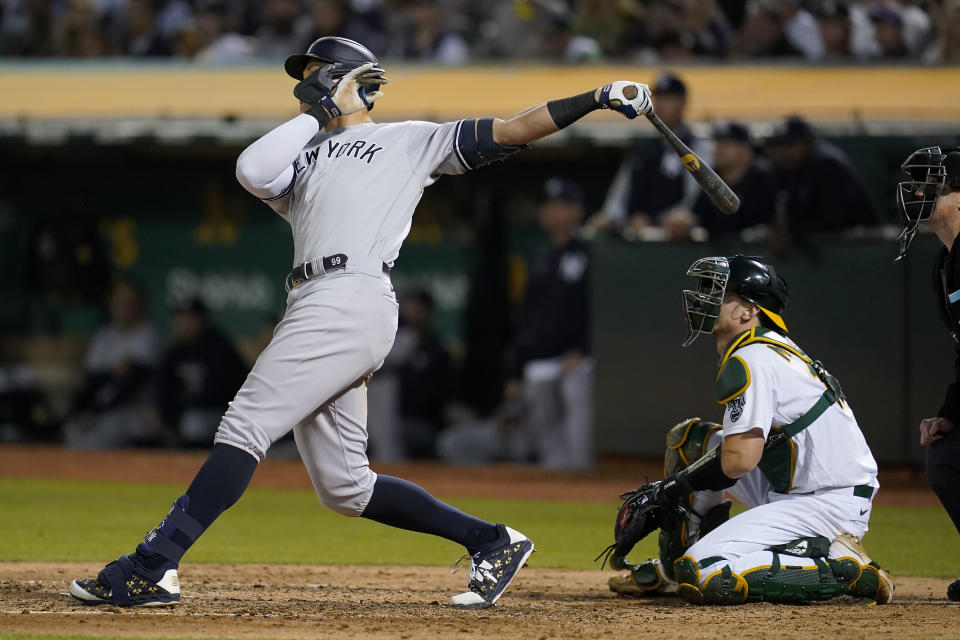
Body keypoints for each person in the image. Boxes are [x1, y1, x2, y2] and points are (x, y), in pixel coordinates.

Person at [69, 35, 654, 609]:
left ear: (360, 83)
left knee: (244, 427)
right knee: (346, 487)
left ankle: (154, 566)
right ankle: (492, 541)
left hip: (351, 295)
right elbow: (251, 169)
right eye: (308, 75)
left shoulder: (409, 140)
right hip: (316, 299)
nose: (307, 84)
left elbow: (512, 129)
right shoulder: (300, 154)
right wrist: (320, 109)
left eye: (323, 73)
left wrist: (596, 96)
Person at [606, 255, 893, 605]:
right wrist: (670, 488)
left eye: (718, 293)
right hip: (798, 486)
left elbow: (738, 462)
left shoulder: (753, 358)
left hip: (826, 501)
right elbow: (734, 455)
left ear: (747, 312)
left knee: (704, 574)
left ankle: (843, 567)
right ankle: (672, 569)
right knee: (693, 442)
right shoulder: (764, 349)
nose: (704, 299)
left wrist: (668, 489)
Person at [892, 146, 960, 601]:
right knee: (946, 457)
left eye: (932, 184)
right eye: (916, 184)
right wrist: (950, 412)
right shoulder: (944, 262)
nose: (919, 192)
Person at [507, 177, 593, 470]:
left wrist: (582, 349)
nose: (552, 213)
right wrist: (515, 371)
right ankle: (556, 483)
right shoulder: (540, 258)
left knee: (577, 433)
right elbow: (528, 317)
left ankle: (583, 481)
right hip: (541, 361)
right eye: (548, 206)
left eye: (560, 206)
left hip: (578, 360)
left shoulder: (590, 253)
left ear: (577, 211)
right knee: (548, 441)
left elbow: (597, 310)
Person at [596, 72, 704, 241]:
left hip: (681, 239)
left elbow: (697, 195)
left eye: (668, 99)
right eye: (658, 98)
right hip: (636, 235)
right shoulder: (642, 147)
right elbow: (621, 191)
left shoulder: (696, 144)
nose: (661, 104)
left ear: (682, 103)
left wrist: (666, 219)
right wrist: (610, 215)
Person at [63, 280, 163, 449]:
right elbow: (91, 380)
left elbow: (130, 383)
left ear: (141, 305)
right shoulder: (104, 336)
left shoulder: (148, 336)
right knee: (74, 430)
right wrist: (83, 410)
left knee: (107, 430)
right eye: (119, 302)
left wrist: (95, 410)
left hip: (136, 407)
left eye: (130, 302)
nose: (124, 307)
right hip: (104, 408)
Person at [155, 297, 248, 448]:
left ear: (202, 319)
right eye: (181, 318)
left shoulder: (219, 347)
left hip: (225, 414)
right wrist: (168, 418)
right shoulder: (175, 351)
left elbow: (218, 394)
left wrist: (181, 408)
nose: (185, 324)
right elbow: (163, 391)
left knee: (193, 423)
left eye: (190, 318)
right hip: (188, 413)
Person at [764, 116, 878, 238]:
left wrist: (791, 229)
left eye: (791, 145)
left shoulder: (828, 165)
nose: (785, 152)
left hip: (864, 241)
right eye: (781, 145)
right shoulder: (791, 166)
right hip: (833, 245)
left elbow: (834, 221)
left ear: (807, 143)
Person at [686, 122, 777, 237]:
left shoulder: (762, 178)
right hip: (718, 250)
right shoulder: (711, 176)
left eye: (726, 143)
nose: (719, 149)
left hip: (757, 252)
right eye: (717, 143)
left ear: (745, 150)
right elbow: (697, 215)